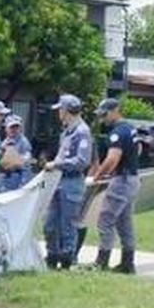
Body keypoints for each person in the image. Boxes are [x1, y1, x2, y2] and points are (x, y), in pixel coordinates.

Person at [88, 98, 139, 273]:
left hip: (122, 180)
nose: (103, 118)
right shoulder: (131, 129)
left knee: (105, 219)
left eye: (105, 114)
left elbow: (112, 159)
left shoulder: (117, 133)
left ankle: (102, 262)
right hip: (132, 178)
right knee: (124, 222)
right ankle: (128, 262)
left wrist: (98, 176)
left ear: (116, 110)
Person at [42, 94, 92, 270]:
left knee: (67, 225)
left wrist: (57, 164)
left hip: (71, 183)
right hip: (58, 181)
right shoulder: (66, 132)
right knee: (49, 224)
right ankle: (52, 255)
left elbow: (82, 161)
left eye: (60, 110)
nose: (58, 113)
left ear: (66, 111)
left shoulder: (82, 132)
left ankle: (66, 259)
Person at [0, 115, 34, 192]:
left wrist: (23, 184)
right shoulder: (5, 142)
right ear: (6, 128)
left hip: (18, 177)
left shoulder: (23, 142)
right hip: (4, 178)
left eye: (16, 127)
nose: (14, 130)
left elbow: (26, 161)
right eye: (11, 127)